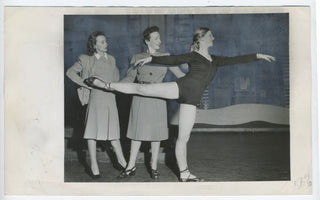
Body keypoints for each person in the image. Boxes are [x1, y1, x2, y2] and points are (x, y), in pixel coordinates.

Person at [84, 27, 275, 182]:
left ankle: (184, 173)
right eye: (210, 36)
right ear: (201, 39)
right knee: (142, 90)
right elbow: (172, 59)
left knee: (183, 138)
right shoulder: (193, 56)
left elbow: (236, 60)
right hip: (180, 88)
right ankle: (106, 85)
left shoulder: (215, 60)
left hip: (191, 100)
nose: (213, 38)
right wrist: (152, 58)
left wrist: (257, 55)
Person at [117, 26, 185, 179]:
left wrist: (194, 81)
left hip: (158, 97)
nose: (159, 41)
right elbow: (129, 78)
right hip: (140, 96)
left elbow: (180, 74)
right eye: (156, 38)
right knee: (136, 134)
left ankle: (153, 166)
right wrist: (113, 85)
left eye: (159, 38)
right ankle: (130, 166)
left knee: (157, 134)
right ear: (147, 41)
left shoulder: (165, 56)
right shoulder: (136, 56)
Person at [66, 31, 127, 179]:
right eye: (101, 42)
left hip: (111, 99)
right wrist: (86, 84)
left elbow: (116, 78)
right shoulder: (86, 59)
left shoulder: (111, 59)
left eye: (105, 41)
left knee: (113, 133)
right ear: (94, 45)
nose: (105, 44)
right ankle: (94, 165)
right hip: (96, 100)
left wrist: (113, 86)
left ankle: (124, 163)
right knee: (92, 133)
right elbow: (70, 72)